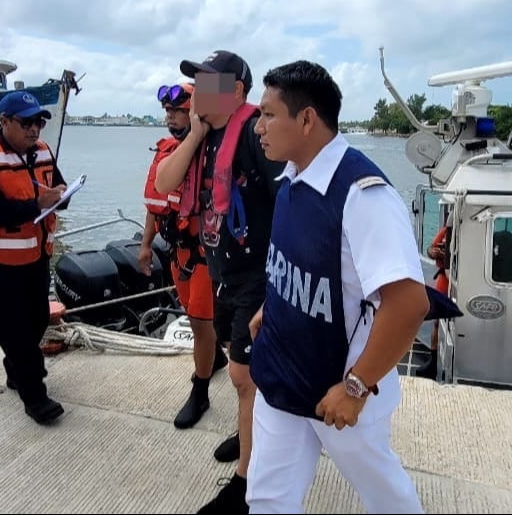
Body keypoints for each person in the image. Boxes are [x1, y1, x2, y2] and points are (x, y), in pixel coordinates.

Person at [246, 60, 428, 513]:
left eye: (268, 115)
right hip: (284, 375)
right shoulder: (291, 179)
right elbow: (298, 262)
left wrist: (356, 388)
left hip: (341, 388)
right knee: (266, 497)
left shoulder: (364, 196)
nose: (257, 128)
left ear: (307, 119)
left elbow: (407, 304)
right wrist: (273, 307)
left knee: (385, 494)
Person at [153, 50, 286, 514]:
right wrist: (193, 132)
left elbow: (288, 202)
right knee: (241, 373)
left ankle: (245, 487)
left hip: (256, 275)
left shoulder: (254, 133)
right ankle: (250, 429)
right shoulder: (205, 137)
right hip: (223, 272)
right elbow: (166, 183)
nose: (196, 93)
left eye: (207, 85)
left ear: (235, 92)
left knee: (243, 376)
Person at [0, 90, 69, 426]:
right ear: (4, 122)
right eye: (26, 123)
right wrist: (37, 204)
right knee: (12, 325)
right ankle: (34, 395)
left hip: (37, 254)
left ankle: (15, 367)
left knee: (37, 319)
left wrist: (62, 195)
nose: (34, 129)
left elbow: (58, 187)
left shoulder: (43, 152)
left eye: (38, 122)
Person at [137, 81, 228, 429]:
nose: (170, 117)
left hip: (205, 255)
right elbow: (155, 204)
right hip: (177, 253)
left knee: (201, 323)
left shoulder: (218, 152)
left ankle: (200, 391)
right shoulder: (164, 152)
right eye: (168, 111)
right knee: (193, 317)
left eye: (178, 110)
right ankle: (215, 360)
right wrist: (146, 246)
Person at [418, 222, 451, 379]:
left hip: (461, 280)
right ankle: (434, 361)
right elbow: (430, 249)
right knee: (437, 322)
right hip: (444, 279)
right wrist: (435, 252)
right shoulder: (446, 231)